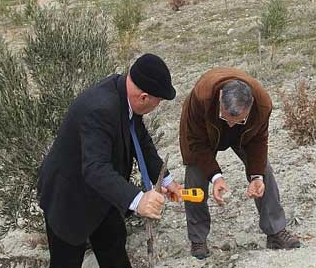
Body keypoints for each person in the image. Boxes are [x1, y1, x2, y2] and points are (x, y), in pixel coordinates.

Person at [37, 53, 183, 268]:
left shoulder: (124, 92)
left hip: (104, 194)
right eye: (158, 101)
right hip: (69, 198)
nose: (157, 106)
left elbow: (140, 140)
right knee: (65, 262)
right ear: (143, 97)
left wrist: (167, 180)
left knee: (114, 252)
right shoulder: (100, 109)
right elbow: (95, 168)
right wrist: (138, 200)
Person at [179, 67, 301, 259]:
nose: (230, 125)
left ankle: (275, 231)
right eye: (226, 118)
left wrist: (256, 176)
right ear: (220, 98)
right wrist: (216, 177)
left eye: (238, 120)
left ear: (250, 105)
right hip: (203, 134)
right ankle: (198, 239)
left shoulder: (262, 105)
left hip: (245, 137)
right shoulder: (201, 98)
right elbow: (196, 144)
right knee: (195, 175)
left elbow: (259, 141)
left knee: (263, 170)